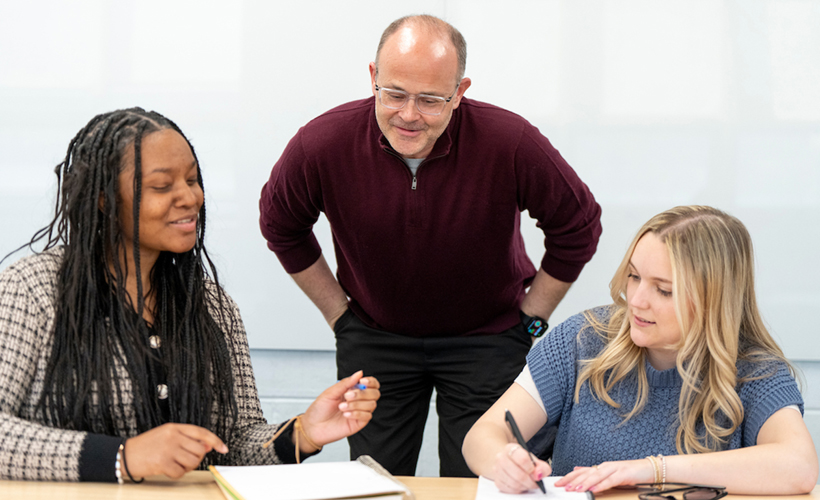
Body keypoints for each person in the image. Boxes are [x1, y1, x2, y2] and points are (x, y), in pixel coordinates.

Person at [259, 15, 601, 477]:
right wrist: (340, 317)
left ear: (460, 92)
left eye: (431, 100)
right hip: (375, 339)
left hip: (489, 339)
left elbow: (578, 226)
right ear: (373, 78)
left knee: (486, 483)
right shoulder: (322, 144)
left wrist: (532, 321)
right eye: (395, 93)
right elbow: (281, 225)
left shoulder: (510, 142)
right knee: (374, 481)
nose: (408, 114)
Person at [0, 107, 380, 482]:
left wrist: (303, 432)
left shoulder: (213, 307)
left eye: (192, 180)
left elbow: (234, 445)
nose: (190, 198)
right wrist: (123, 457)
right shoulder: (31, 290)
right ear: (103, 199)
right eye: (162, 186)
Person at [462, 205, 818, 495]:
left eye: (663, 290)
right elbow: (482, 436)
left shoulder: (753, 369)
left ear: (715, 300)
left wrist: (650, 470)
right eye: (634, 277)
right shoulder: (582, 339)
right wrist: (503, 460)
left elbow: (799, 466)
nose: (636, 300)